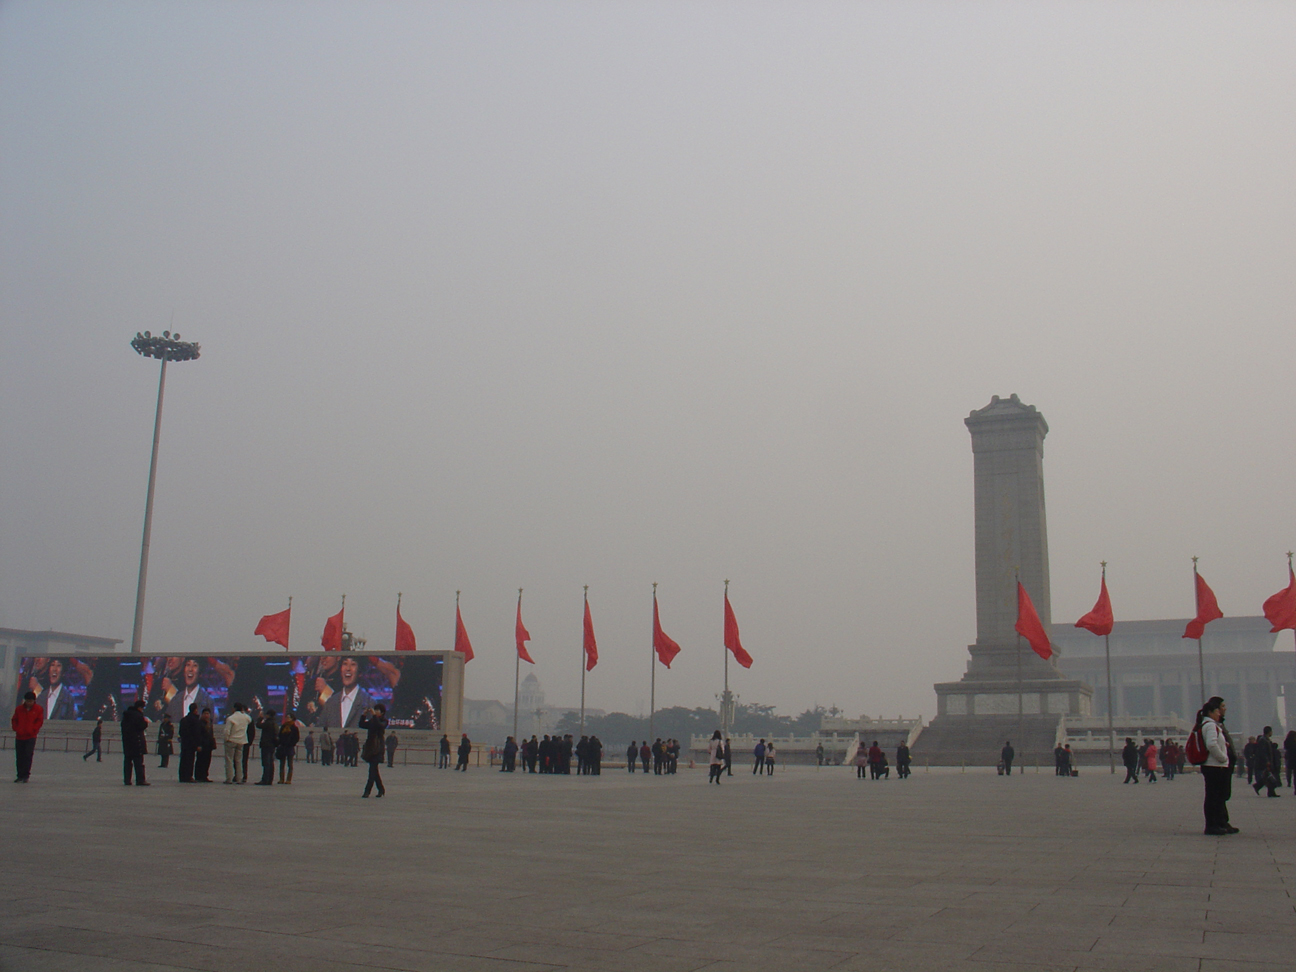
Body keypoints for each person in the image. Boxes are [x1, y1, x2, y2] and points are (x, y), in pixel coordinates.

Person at [1198, 696, 1238, 835]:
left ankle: (1219, 823)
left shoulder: (1213, 724)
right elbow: (1211, 744)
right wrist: (1223, 757)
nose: (1220, 713)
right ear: (1211, 711)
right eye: (1218, 710)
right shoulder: (1210, 725)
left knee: (1217, 796)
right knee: (1213, 797)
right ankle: (1212, 825)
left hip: (1216, 765)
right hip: (1214, 766)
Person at [320, 656, 374, 729]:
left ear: (360, 671)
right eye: (345, 663)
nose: (348, 668)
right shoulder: (330, 703)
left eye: (353, 664)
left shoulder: (369, 703)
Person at [164, 658, 214, 723]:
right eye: (188, 665)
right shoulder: (175, 701)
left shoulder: (207, 701)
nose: (190, 669)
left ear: (200, 672)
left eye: (195, 665)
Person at [12, 691, 45, 783]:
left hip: (31, 737)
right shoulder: (19, 709)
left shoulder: (38, 709)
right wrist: (16, 729)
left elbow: (39, 721)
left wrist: (33, 730)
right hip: (19, 736)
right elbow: (14, 720)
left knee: (28, 755)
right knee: (19, 756)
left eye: (31, 701)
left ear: (34, 701)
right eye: (27, 701)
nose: (29, 703)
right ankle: (19, 775)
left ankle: (26, 775)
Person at [359, 704, 388, 797]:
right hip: (370, 748)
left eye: (377, 710)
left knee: (372, 770)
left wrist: (374, 716)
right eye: (375, 710)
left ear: (382, 712)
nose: (375, 711)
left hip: (378, 748)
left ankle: (367, 791)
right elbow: (362, 725)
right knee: (374, 771)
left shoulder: (384, 721)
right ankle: (381, 789)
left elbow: (379, 726)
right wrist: (363, 715)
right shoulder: (372, 720)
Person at [120, 699, 150, 786]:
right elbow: (141, 726)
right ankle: (140, 780)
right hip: (137, 742)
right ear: (140, 707)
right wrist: (145, 723)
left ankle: (127, 780)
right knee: (138, 762)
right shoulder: (138, 716)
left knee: (127, 762)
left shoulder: (126, 716)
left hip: (127, 743)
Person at [222, 702, 253, 785]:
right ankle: (239, 778)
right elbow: (250, 720)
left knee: (229, 760)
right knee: (238, 760)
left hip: (231, 740)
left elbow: (227, 731)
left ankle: (229, 778)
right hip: (242, 741)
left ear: (234, 708)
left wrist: (226, 739)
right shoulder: (246, 718)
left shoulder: (230, 718)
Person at [1252, 726, 1280, 798]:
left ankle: (1263, 788)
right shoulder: (1263, 740)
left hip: (1268, 761)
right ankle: (1260, 787)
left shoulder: (1266, 740)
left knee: (1267, 776)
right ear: (1269, 732)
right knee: (1268, 776)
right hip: (1265, 762)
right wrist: (1267, 761)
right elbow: (1263, 752)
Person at [178, 703, 201, 783]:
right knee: (190, 760)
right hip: (192, 743)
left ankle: (182, 776)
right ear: (195, 710)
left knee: (183, 760)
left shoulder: (184, 720)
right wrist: (197, 744)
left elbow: (181, 732)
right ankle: (188, 776)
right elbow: (197, 733)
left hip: (184, 743)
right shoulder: (195, 720)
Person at [255, 709, 278, 785]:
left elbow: (258, 725)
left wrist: (260, 719)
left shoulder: (268, 723)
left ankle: (265, 779)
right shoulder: (275, 723)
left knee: (266, 762)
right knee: (271, 762)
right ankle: (270, 779)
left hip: (266, 745)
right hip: (272, 745)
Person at [194, 708, 217, 782]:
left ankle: (205, 775)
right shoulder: (199, 722)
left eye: (208, 714)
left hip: (208, 745)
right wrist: (198, 744)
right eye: (205, 714)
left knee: (207, 761)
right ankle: (198, 775)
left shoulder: (210, 723)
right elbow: (198, 734)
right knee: (200, 760)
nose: (207, 715)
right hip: (202, 744)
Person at [277, 714, 300, 783]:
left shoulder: (294, 728)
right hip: (283, 747)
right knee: (282, 764)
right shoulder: (283, 726)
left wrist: (292, 743)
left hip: (290, 747)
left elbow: (296, 738)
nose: (287, 718)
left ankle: (288, 779)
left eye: (288, 717)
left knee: (290, 764)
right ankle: (281, 779)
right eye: (286, 717)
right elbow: (280, 735)